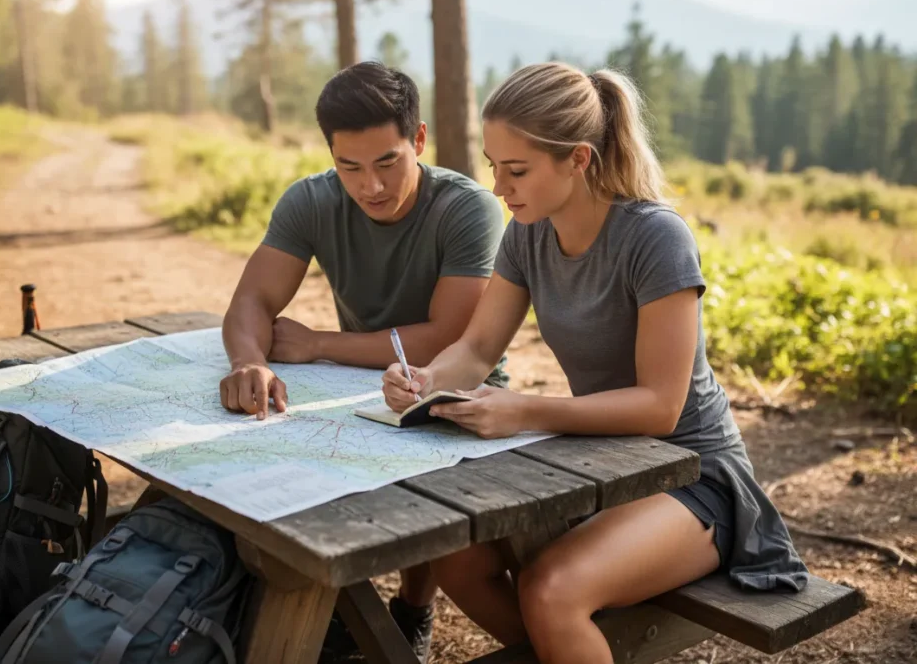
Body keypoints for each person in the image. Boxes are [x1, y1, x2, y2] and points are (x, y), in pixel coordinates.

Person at [381, 62, 808, 664]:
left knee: (552, 590)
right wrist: (425, 380)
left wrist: (524, 411)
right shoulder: (528, 233)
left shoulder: (655, 239)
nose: (500, 188)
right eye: (493, 166)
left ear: (578, 159)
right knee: (455, 554)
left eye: (517, 169)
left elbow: (662, 408)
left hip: (692, 476)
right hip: (600, 463)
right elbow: (476, 351)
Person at [219, 60, 507, 663]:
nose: (370, 186)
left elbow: (449, 339)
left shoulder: (467, 208)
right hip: (357, 385)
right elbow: (253, 300)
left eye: (387, 163)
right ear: (330, 154)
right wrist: (248, 360)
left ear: (419, 140)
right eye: (349, 167)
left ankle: (412, 608)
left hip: (457, 392)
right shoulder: (310, 200)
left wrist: (319, 343)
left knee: (434, 510)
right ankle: (332, 616)